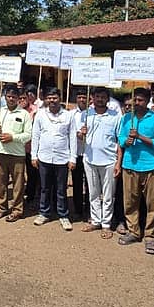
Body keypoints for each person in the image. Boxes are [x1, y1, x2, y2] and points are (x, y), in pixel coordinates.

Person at [116, 87, 154, 254]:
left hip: (151, 166)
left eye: (140, 100)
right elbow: (121, 139)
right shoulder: (127, 118)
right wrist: (127, 141)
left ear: (148, 100)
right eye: (135, 100)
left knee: (152, 203)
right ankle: (134, 231)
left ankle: (150, 236)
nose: (137, 103)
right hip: (129, 165)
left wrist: (140, 137)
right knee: (129, 201)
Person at [31, 88, 77, 231]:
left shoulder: (68, 115)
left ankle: (63, 215)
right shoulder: (40, 114)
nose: (52, 100)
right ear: (46, 99)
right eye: (49, 98)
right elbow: (36, 135)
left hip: (62, 158)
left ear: (60, 98)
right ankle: (44, 212)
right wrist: (34, 155)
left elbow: (72, 137)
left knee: (61, 189)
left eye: (55, 98)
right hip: (44, 157)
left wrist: (73, 158)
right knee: (44, 188)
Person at [78, 87, 122, 237]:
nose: (100, 99)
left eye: (103, 97)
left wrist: (118, 162)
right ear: (93, 98)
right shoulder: (86, 115)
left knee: (109, 195)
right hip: (89, 159)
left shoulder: (116, 116)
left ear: (107, 99)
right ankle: (96, 221)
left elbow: (119, 141)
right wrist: (81, 133)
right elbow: (78, 136)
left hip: (109, 160)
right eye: (97, 97)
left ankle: (106, 224)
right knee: (93, 192)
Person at [0, 86, 32, 222]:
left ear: (18, 98)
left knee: (18, 183)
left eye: (14, 97)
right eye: (9, 96)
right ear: (5, 97)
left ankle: (17, 210)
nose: (11, 99)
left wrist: (13, 137)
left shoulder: (24, 114)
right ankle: (2, 207)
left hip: (17, 154)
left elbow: (28, 135)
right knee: (0, 182)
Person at [70, 89, 90, 221]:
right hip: (76, 153)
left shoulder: (93, 113)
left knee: (90, 184)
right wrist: (76, 134)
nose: (82, 99)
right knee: (77, 183)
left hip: (89, 154)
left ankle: (89, 210)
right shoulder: (71, 114)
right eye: (80, 97)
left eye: (84, 97)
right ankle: (77, 209)